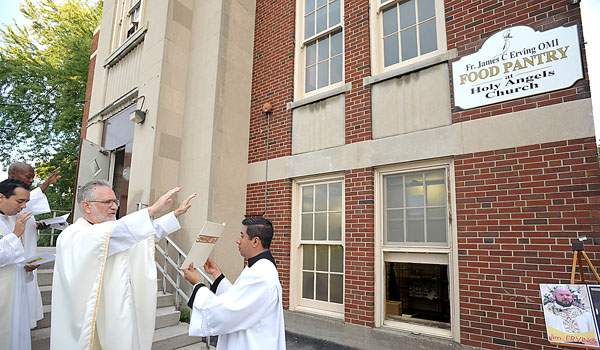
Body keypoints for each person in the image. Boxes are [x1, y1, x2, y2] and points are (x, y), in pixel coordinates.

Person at [50, 180, 196, 350]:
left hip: (115, 308)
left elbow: (145, 236)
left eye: (115, 201)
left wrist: (175, 214)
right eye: (107, 202)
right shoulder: (74, 235)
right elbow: (115, 235)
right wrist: (150, 211)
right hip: (91, 316)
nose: (114, 207)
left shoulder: (112, 231)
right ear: (86, 206)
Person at [183, 217, 286, 350]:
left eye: (242, 236)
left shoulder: (261, 274)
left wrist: (197, 284)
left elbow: (227, 311)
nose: (237, 240)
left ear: (255, 241)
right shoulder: (259, 267)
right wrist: (217, 275)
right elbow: (239, 299)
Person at [8, 161, 61, 329]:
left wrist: (36, 226)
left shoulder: (22, 198)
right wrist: (45, 185)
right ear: (14, 173)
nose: (31, 180)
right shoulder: (7, 196)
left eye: (33, 177)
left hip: (28, 254)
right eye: (28, 176)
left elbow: (27, 214)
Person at [0, 178, 34, 350]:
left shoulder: (7, 220)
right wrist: (15, 235)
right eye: (20, 201)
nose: (23, 207)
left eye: (26, 202)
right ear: (1, 197)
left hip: (14, 291)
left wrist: (25, 267)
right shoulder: (12, 225)